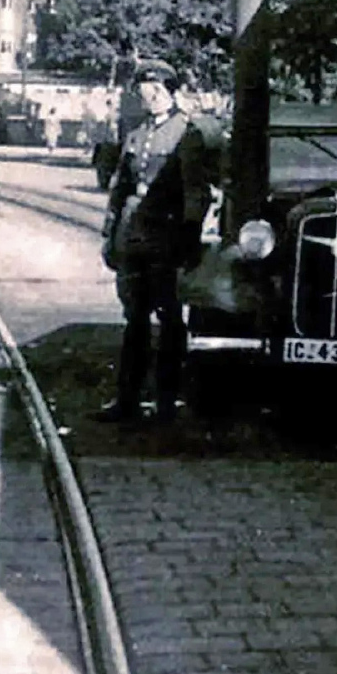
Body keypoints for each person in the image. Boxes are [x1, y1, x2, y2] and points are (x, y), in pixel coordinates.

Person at [97, 59, 209, 424]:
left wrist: (189, 235)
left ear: (166, 91)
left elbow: (196, 191)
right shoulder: (137, 132)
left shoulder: (185, 134)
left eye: (154, 93)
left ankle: (167, 400)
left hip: (166, 237)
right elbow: (120, 187)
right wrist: (110, 234)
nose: (150, 99)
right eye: (145, 94)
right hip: (134, 238)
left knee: (171, 320)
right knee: (135, 320)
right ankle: (127, 399)